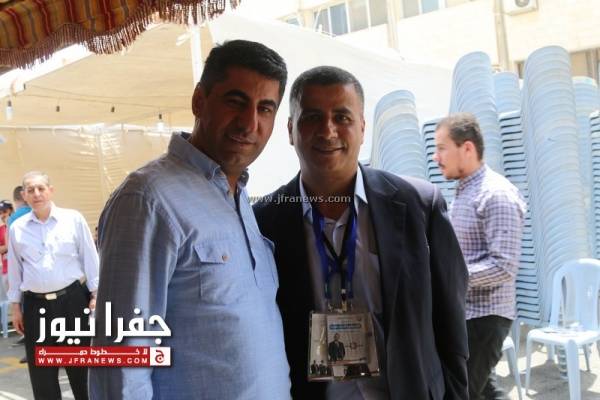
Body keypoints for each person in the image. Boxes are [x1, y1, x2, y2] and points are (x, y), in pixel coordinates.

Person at [89, 40, 290, 400]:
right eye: (236, 101)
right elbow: (121, 362)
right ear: (199, 100)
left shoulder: (237, 197)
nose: (249, 123)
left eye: (265, 108)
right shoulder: (148, 199)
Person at [254, 66, 469, 400]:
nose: (328, 130)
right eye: (312, 117)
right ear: (291, 130)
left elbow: (451, 321)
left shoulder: (419, 205)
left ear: (363, 128)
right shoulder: (264, 222)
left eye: (342, 117)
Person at [433, 113, 526, 400]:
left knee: (460, 393)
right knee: (484, 392)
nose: (436, 157)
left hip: (485, 318)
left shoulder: (496, 195)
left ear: (467, 148)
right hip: (466, 313)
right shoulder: (465, 191)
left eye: (441, 148)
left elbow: (504, 266)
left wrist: (448, 277)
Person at [7, 171, 99, 400]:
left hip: (72, 301)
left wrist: (96, 294)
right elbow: (16, 270)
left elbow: (90, 258)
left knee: (81, 369)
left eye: (41, 188)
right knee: (42, 374)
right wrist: (15, 306)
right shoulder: (17, 228)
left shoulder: (73, 219)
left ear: (51, 190)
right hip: (35, 307)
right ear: (24, 196)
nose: (36, 194)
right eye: (30, 190)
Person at [0, 200, 13, 292]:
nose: (2, 215)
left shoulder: (19, 227)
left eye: (5, 212)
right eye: (0, 213)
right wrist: (7, 247)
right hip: (6, 271)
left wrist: (6, 247)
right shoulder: (1, 229)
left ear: (11, 211)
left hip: (20, 271)